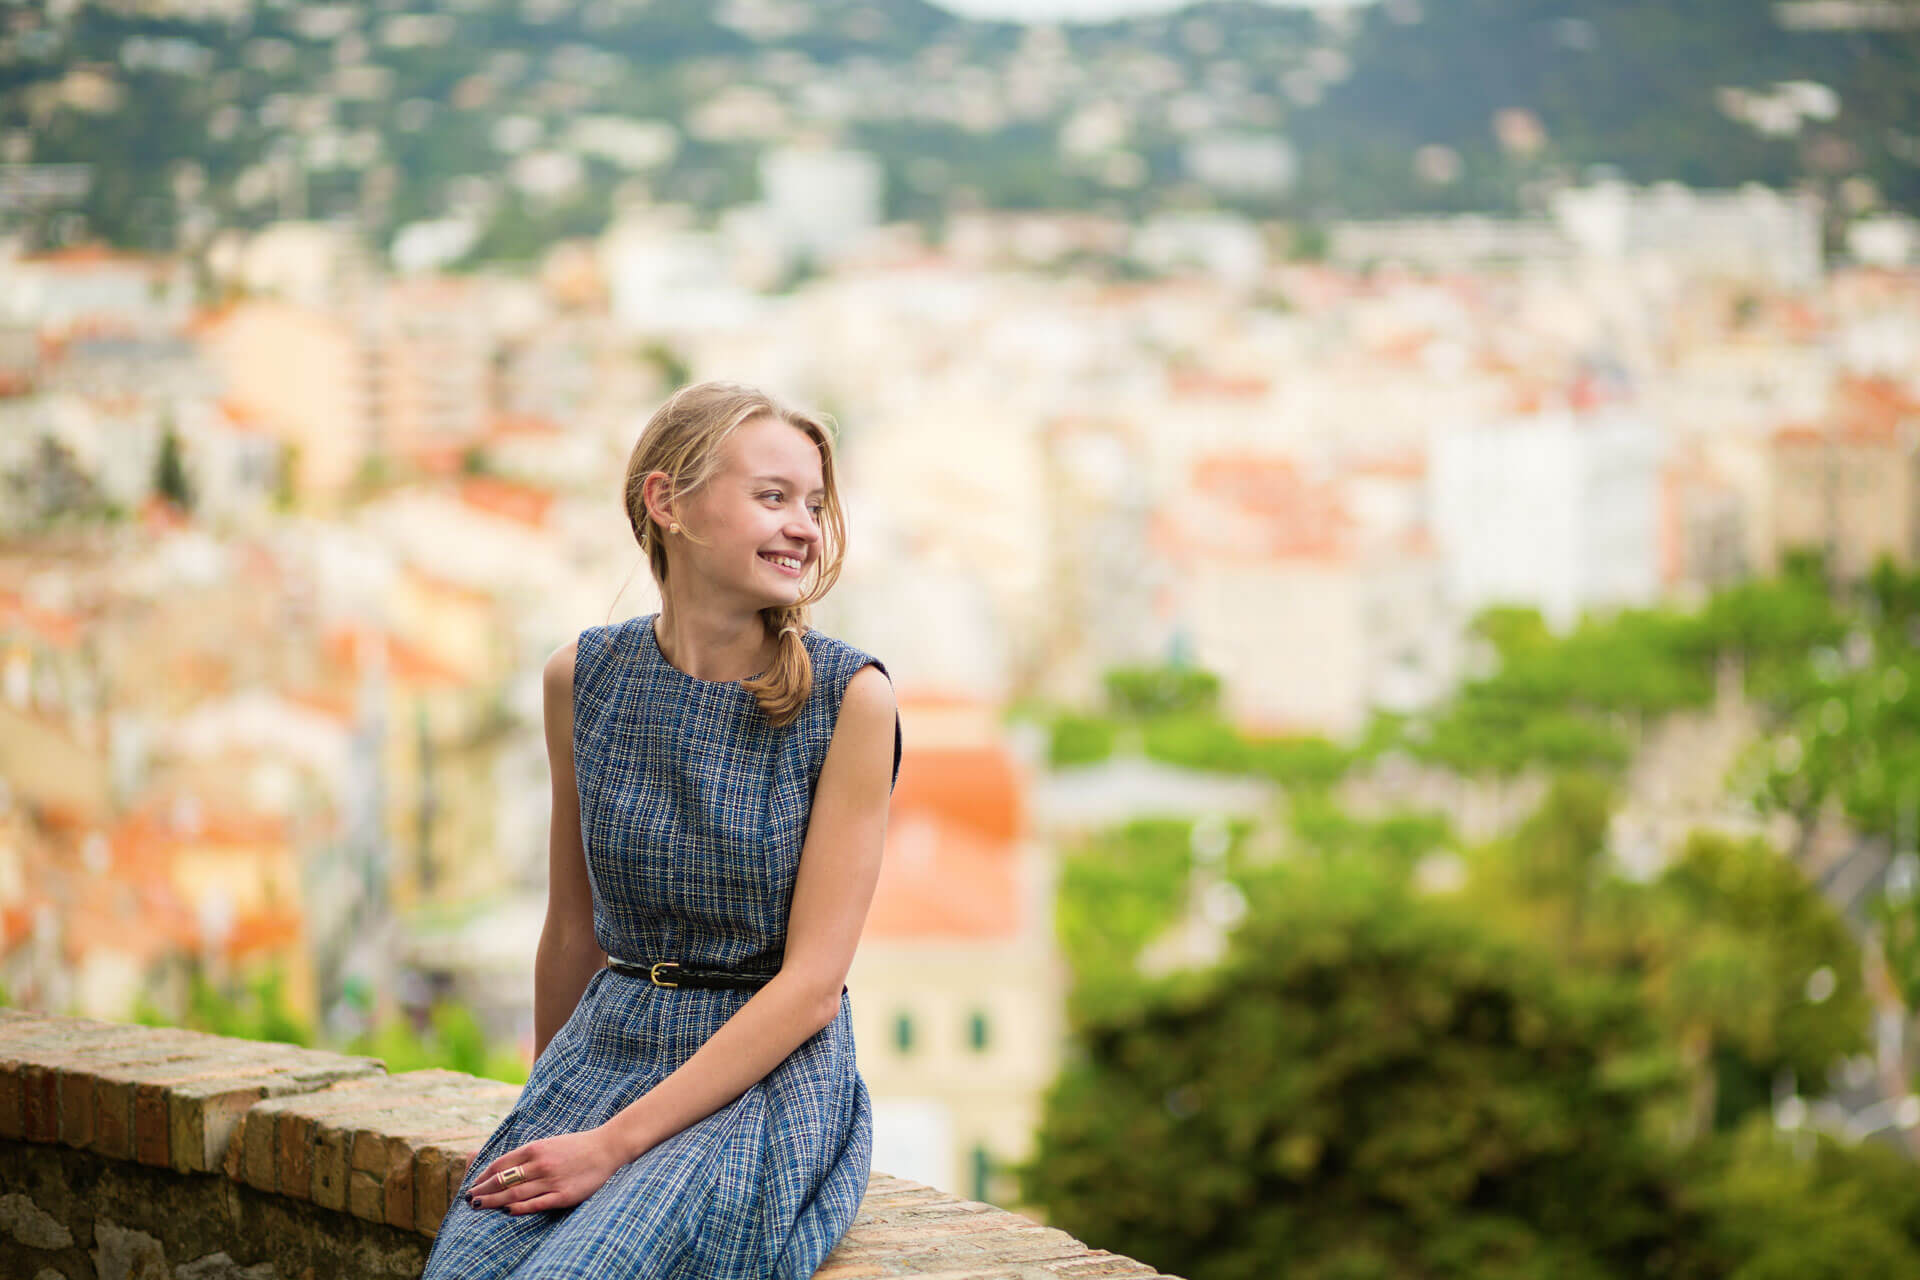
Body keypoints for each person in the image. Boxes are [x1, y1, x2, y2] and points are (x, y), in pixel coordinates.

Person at [419, 380, 902, 1279]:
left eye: (813, 504)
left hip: (761, 1083)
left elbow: (811, 989)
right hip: (602, 1054)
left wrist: (610, 1145)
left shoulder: (850, 700)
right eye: (773, 496)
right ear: (667, 502)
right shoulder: (582, 677)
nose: (804, 526)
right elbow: (572, 932)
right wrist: (548, 1108)